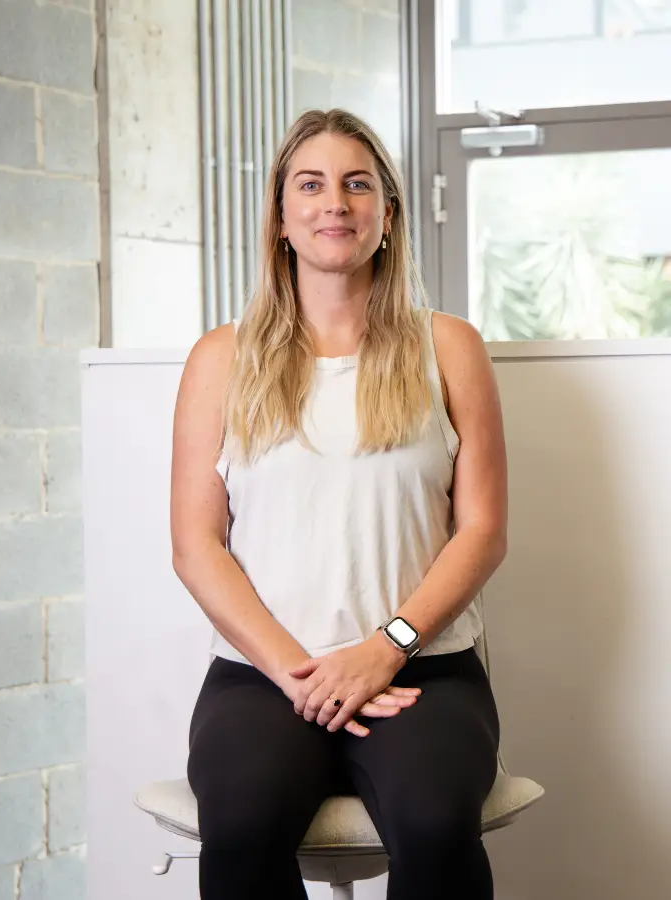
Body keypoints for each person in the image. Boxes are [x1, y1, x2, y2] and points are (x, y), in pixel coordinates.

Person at [171, 108, 508, 900]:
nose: (336, 203)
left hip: (423, 669)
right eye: (311, 185)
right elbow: (196, 545)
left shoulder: (449, 346)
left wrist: (384, 646)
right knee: (243, 828)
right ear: (282, 218)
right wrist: (297, 673)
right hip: (263, 676)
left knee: (432, 824)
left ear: (387, 215)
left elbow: (483, 529)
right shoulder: (221, 359)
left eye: (358, 185)